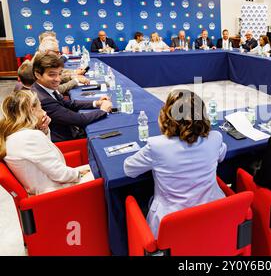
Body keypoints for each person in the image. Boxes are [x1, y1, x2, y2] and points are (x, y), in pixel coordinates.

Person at [123, 90, 226, 235]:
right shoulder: (216, 138)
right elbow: (221, 155)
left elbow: (129, 169)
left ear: (167, 116)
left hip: (171, 224)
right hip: (213, 218)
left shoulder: (156, 145)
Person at [0, 90, 93, 195]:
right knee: (105, 173)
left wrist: (43, 130)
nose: (44, 112)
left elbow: (44, 156)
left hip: (46, 188)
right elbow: (60, 175)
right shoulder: (30, 137)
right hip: (57, 192)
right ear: (32, 110)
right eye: (41, 107)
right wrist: (78, 174)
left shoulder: (13, 134)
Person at [31, 53, 112, 142]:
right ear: (38, 75)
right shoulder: (44, 99)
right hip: (65, 141)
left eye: (59, 74)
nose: (58, 79)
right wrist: (102, 111)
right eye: (52, 75)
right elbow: (79, 119)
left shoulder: (43, 87)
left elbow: (68, 104)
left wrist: (96, 103)